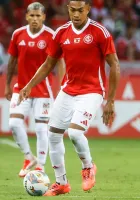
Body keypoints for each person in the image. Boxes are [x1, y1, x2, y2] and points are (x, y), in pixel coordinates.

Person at [18, 0, 120, 196]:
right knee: (53, 135)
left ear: (88, 9)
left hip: (92, 91)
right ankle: (61, 183)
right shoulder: (61, 33)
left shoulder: (99, 32)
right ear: (68, 9)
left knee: (74, 133)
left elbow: (114, 65)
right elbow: (48, 64)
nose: (76, 14)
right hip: (68, 90)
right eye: (72, 10)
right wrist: (29, 85)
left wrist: (111, 100)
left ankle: (88, 166)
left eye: (80, 10)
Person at [5, 2, 65, 178]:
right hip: (21, 88)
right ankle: (28, 157)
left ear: (44, 17)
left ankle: (40, 166)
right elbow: (12, 61)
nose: (35, 19)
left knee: (41, 129)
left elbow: (60, 61)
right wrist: (8, 84)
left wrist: (61, 86)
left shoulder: (51, 35)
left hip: (43, 90)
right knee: (14, 123)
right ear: (26, 16)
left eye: (38, 16)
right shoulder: (18, 34)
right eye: (32, 15)